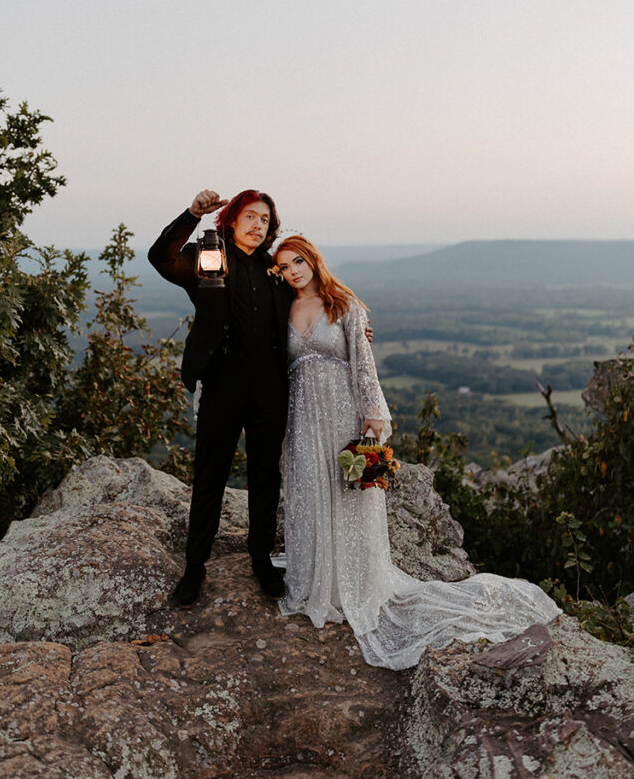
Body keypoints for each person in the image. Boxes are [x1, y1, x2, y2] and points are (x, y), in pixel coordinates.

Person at [273, 235, 561, 670]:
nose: (293, 271)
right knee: (310, 494)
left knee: (350, 491)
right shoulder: (282, 310)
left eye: (298, 261)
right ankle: (318, 579)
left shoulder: (344, 305)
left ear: (313, 261)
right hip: (302, 419)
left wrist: (372, 413)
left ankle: (354, 581)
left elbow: (363, 363)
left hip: (343, 413)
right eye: (284, 266)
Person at [148, 189, 294, 604]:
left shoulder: (275, 270)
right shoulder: (209, 255)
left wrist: (353, 328)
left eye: (265, 219)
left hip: (269, 387)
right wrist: (192, 214)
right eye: (250, 216)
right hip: (222, 383)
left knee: (266, 476)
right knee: (210, 476)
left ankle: (261, 560)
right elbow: (161, 258)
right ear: (231, 219)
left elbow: (313, 305)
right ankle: (195, 567)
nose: (257, 225)